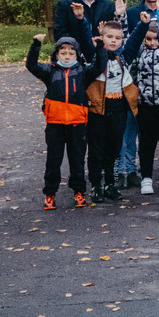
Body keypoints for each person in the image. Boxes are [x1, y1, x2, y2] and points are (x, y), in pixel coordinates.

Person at [26, 32, 107, 210]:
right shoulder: (50, 71)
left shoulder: (83, 72)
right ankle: (50, 194)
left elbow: (100, 65)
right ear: (56, 54)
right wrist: (36, 45)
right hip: (55, 124)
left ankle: (79, 192)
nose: (67, 56)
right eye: (63, 52)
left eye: (71, 53)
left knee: (77, 160)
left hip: (77, 124)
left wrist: (100, 47)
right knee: (53, 161)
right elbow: (31, 65)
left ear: (77, 55)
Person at [86, 18, 150, 204]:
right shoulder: (95, 55)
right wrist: (83, 21)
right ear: (102, 37)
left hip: (119, 108)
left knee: (114, 149)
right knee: (97, 150)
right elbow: (84, 39)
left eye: (118, 38)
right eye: (109, 37)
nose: (113, 40)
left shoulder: (124, 56)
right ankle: (96, 186)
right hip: (98, 110)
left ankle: (110, 185)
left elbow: (135, 40)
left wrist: (143, 25)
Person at [125, 5, 159, 196]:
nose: (153, 42)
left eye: (156, 39)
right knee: (147, 143)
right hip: (145, 105)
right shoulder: (139, 53)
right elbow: (128, 45)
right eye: (149, 39)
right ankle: (146, 177)